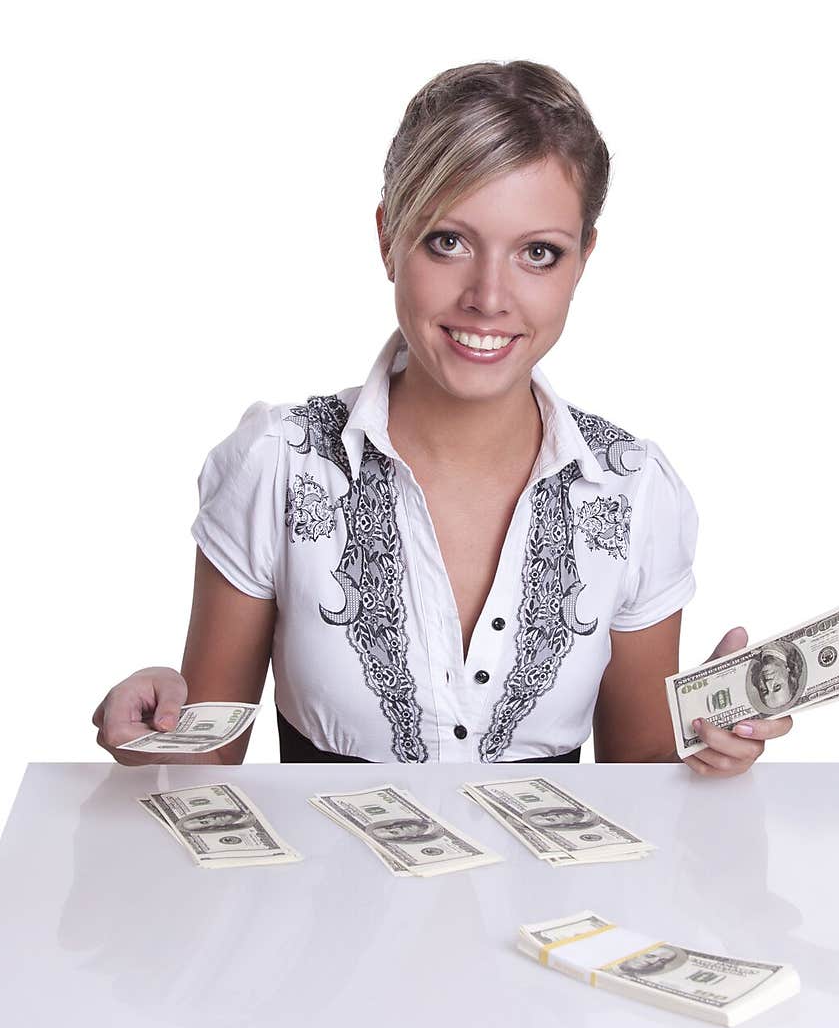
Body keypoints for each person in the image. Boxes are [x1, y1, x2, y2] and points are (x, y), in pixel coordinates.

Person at [92, 59, 793, 775]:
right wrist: (151, 738)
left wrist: (705, 747)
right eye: (448, 241)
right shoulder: (277, 464)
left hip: (558, 893)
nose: (489, 297)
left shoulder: (635, 492)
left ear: (582, 259)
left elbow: (636, 778)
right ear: (387, 236)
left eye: (539, 253)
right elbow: (204, 768)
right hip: (324, 890)